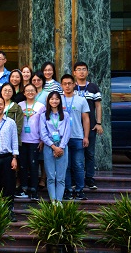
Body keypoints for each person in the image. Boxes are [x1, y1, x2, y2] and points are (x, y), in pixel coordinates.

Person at [73, 61, 103, 190]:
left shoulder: (93, 87)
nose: (81, 72)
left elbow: (98, 106)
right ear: (74, 72)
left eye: (84, 69)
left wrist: (99, 123)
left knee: (89, 153)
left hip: (90, 125)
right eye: (79, 69)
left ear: (87, 72)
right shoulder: (71, 87)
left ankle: (89, 178)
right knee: (75, 154)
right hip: (74, 126)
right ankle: (75, 179)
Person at [61, 74, 90, 200]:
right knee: (66, 166)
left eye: (69, 83)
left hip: (77, 136)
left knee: (78, 165)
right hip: (62, 138)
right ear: (61, 85)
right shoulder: (58, 99)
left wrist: (86, 136)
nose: (67, 86)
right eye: (64, 84)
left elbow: (86, 119)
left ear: (74, 84)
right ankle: (67, 190)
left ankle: (79, 190)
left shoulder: (81, 100)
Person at [39, 91, 70, 202]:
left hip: (62, 146)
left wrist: (60, 147)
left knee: (61, 177)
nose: (54, 101)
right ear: (48, 101)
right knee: (51, 177)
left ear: (60, 101)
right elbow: (43, 134)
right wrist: (53, 147)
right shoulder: (43, 116)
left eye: (57, 99)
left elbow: (67, 132)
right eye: (52, 99)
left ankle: (59, 201)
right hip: (49, 146)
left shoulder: (65, 115)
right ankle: (53, 201)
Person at [17, 83, 45, 201]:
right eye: (27, 90)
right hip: (22, 140)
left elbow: (43, 124)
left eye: (32, 90)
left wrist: (42, 139)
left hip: (35, 140)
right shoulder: (20, 105)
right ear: (24, 93)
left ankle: (34, 190)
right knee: (23, 165)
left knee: (34, 165)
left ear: (36, 92)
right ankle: (23, 188)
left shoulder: (41, 106)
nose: (30, 92)